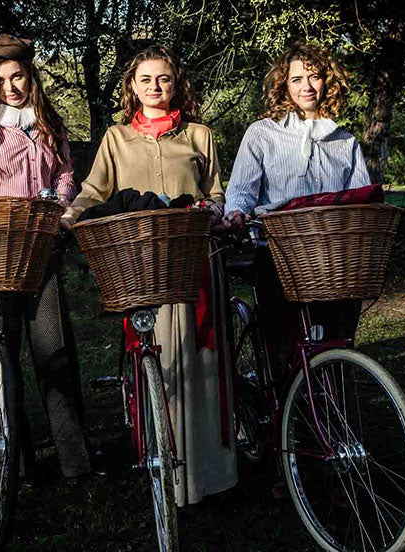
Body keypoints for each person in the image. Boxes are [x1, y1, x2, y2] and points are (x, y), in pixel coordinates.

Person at [62, 44, 237, 507]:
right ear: (132, 87)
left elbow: (216, 191)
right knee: (157, 364)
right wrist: (68, 218)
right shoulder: (116, 138)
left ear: (176, 83)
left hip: (194, 259)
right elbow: (94, 190)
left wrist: (214, 210)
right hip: (140, 266)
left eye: (163, 79)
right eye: (146, 80)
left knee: (200, 362)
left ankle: (207, 476)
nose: (155, 87)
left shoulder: (199, 135)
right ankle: (161, 466)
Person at [0, 34, 92, 480]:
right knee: (0, 352)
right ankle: (14, 460)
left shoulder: (49, 125)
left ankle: (75, 461)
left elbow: (66, 174)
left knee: (54, 351)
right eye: (1, 80)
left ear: (31, 77)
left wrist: (59, 201)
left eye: (18, 77)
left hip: (40, 251)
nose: (11, 87)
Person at [224, 40, 371, 381]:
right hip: (280, 252)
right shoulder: (262, 134)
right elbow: (242, 191)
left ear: (327, 81)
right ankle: (284, 413)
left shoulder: (344, 140)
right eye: (296, 79)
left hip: (332, 256)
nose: (307, 86)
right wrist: (237, 213)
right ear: (283, 85)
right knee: (283, 344)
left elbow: (361, 200)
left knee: (338, 340)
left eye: (315, 77)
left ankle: (334, 411)